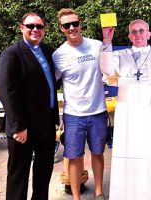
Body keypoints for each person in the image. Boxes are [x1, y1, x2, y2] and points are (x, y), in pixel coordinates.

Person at [100, 19, 151, 200]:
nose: (138, 35)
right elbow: (106, 70)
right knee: (127, 155)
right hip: (128, 117)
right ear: (129, 36)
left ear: (149, 34)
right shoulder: (119, 56)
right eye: (134, 32)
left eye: (141, 31)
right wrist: (106, 42)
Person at [0, 12, 59, 200]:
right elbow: (6, 91)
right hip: (23, 127)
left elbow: (52, 83)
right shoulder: (12, 54)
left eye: (39, 27)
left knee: (43, 172)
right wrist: (18, 126)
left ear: (44, 30)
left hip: (46, 124)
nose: (35, 30)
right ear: (21, 27)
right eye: (31, 26)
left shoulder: (48, 51)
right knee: (19, 175)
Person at [52, 8, 107, 200]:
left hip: (98, 110)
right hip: (74, 114)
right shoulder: (58, 55)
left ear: (80, 24)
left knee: (98, 152)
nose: (72, 27)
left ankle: (99, 191)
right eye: (67, 25)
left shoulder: (96, 45)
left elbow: (111, 70)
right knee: (74, 156)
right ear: (61, 29)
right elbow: (51, 83)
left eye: (75, 23)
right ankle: (76, 197)